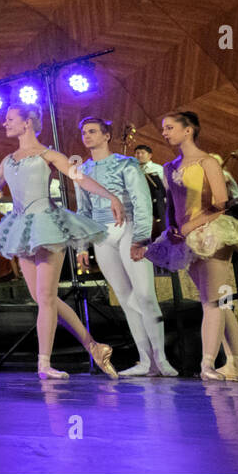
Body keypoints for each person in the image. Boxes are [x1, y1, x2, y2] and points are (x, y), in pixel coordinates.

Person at [0, 103, 124, 380]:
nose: (5, 123)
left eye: (10, 119)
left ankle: (44, 364)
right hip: (21, 227)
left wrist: (111, 196)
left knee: (45, 298)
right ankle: (94, 346)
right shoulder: (8, 161)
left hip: (47, 226)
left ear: (27, 122)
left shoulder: (48, 155)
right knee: (43, 298)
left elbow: (80, 177)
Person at [132, 111, 238, 381]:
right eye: (163, 128)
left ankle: (207, 364)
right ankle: (237, 364)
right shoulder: (171, 167)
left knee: (213, 302)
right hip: (185, 238)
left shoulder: (208, 162)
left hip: (212, 232)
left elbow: (221, 202)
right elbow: (171, 205)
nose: (164, 132)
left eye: (170, 127)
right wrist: (173, 228)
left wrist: (192, 225)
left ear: (188, 130)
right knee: (218, 303)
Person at [75, 117, 174, 377]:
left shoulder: (126, 163)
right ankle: (145, 361)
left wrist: (140, 238)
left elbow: (142, 202)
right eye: (84, 132)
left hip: (128, 228)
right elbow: (82, 210)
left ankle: (161, 359)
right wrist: (82, 247)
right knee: (126, 298)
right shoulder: (82, 171)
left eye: (93, 131)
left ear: (107, 135)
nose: (87, 136)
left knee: (144, 294)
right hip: (100, 235)